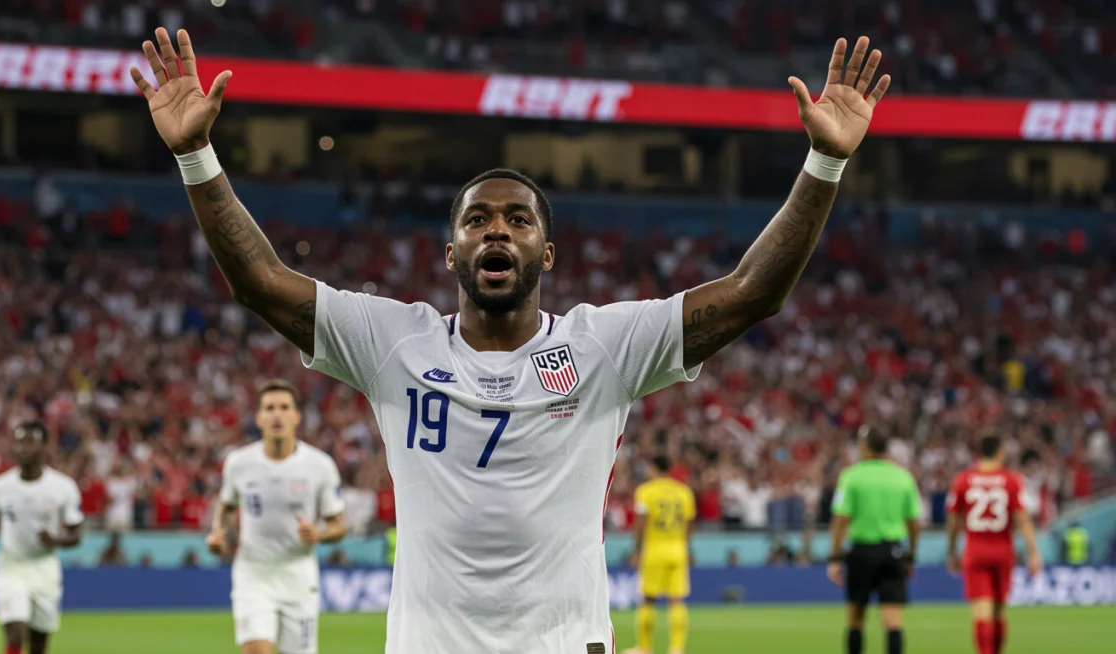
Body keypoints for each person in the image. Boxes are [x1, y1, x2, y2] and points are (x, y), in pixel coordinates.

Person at [131, 27, 890, 654]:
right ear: (453, 252)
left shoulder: (604, 349)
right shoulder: (394, 342)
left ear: (546, 254)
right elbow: (261, 281)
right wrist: (195, 157)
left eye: (519, 219)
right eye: (478, 219)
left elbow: (753, 292)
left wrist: (825, 161)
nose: (497, 227)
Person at [207, 379, 347, 654]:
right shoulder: (239, 463)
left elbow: (338, 526)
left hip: (298, 576)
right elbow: (226, 504)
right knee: (257, 649)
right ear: (259, 418)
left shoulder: (320, 466)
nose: (277, 414)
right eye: (269, 408)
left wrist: (318, 534)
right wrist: (218, 532)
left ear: (296, 417)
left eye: (284, 407)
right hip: (253, 573)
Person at [0, 421, 84, 654]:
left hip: (45, 567)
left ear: (44, 446)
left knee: (38, 643)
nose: (23, 448)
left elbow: (77, 534)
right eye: (19, 442)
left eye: (30, 442)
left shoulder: (63, 487)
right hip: (11, 565)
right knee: (15, 632)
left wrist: (55, 540)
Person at [946, 432, 1043, 654]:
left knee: (982, 611)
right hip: (1003, 551)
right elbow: (1023, 520)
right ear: (1000, 452)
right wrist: (1034, 552)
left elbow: (953, 520)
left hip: (975, 551)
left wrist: (952, 550)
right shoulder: (1011, 480)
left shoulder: (964, 479)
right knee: (999, 611)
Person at [827, 426, 921, 654]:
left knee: (855, 619)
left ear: (865, 446)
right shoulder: (902, 477)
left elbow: (840, 519)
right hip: (893, 552)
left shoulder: (851, 476)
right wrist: (911, 556)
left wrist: (835, 556)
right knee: (893, 621)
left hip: (861, 552)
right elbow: (914, 523)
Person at [625, 455, 696, 654]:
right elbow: (690, 523)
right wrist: (685, 546)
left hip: (654, 549)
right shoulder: (683, 492)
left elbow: (641, 523)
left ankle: (645, 647)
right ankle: (676, 648)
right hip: (677, 548)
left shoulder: (646, 491)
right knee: (676, 599)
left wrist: (636, 551)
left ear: (653, 468)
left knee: (648, 599)